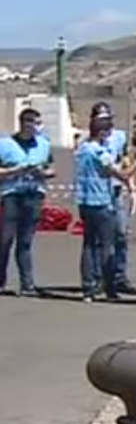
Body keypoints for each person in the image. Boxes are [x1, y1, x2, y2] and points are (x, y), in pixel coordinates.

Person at [76, 116, 133, 303]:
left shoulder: (81, 150)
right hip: (100, 201)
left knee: (89, 244)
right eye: (108, 133)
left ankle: (88, 286)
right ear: (101, 133)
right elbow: (118, 173)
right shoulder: (99, 151)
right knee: (106, 246)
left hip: (84, 201)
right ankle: (109, 287)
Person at [0, 108, 54, 296]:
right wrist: (15, 171)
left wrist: (42, 173)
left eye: (39, 123)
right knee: (5, 239)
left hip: (33, 194)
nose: (36, 127)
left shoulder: (43, 144)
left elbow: (51, 168)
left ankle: (27, 284)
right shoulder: (5, 144)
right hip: (11, 194)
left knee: (25, 241)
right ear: (24, 123)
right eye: (33, 122)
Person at [90, 102, 136, 296]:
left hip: (116, 190)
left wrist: (132, 187)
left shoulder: (119, 137)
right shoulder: (89, 142)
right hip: (99, 193)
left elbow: (126, 159)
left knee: (120, 233)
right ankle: (98, 277)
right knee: (98, 239)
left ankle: (119, 276)